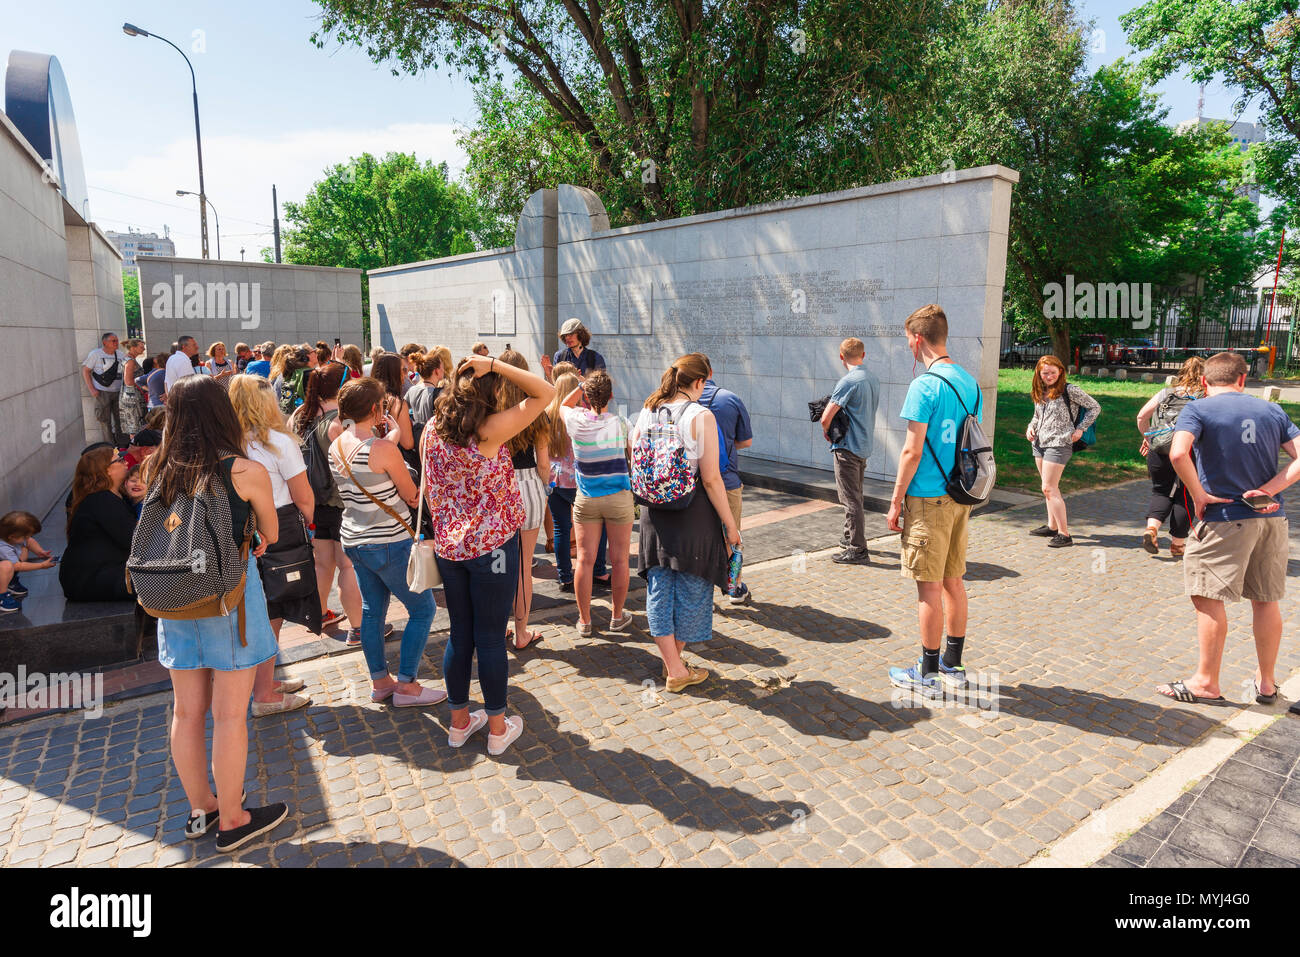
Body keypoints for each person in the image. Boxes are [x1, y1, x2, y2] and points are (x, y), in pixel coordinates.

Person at [142, 374, 289, 853]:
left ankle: (201, 807)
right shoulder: (243, 471)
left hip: (173, 598)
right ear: (220, 413)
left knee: (186, 713)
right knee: (230, 716)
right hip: (230, 599)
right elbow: (270, 532)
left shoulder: (158, 471)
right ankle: (233, 818)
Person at [425, 353, 555, 755]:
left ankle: (460, 723)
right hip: (492, 546)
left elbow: (431, 491)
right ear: (486, 394)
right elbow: (546, 392)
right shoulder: (488, 430)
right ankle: (498, 728)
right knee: (491, 638)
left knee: (460, 634)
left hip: (451, 547)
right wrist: (495, 364)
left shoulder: (432, 429)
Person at [1157, 351, 1300, 706]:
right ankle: (1266, 683)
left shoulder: (1198, 409)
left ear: (1205, 381)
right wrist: (1270, 489)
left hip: (1224, 519)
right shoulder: (1272, 411)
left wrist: (1199, 494)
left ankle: (1206, 682)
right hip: (1270, 518)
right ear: (1243, 378)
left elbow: (1178, 454)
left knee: (1207, 597)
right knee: (1266, 601)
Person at [329, 377, 445, 707]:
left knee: (372, 612)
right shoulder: (383, 449)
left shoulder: (336, 443)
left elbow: (370, 459)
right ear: (375, 409)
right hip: (388, 542)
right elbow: (411, 497)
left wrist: (390, 437)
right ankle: (407, 685)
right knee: (423, 609)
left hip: (354, 539)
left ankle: (381, 682)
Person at [885, 304, 980, 698]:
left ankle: (926, 675)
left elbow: (911, 450)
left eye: (908, 337)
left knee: (928, 589)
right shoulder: (968, 381)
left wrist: (895, 500)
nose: (907, 343)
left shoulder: (924, 384)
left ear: (918, 338)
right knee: (954, 581)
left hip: (927, 499)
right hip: (960, 495)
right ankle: (952, 666)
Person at [631, 355, 740, 692]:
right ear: (698, 383)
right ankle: (676, 669)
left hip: (653, 513)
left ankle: (674, 666)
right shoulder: (700, 415)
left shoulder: (647, 409)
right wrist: (731, 526)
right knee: (693, 590)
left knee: (660, 589)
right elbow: (711, 479)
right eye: (705, 382)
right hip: (692, 513)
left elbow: (633, 453)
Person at [230, 374, 318, 717]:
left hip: (241, 526)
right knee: (274, 610)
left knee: (260, 606)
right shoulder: (278, 442)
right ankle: (264, 694)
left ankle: (264, 682)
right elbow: (303, 495)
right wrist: (307, 523)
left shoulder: (228, 443)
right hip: (278, 524)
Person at [292, 361, 374, 644]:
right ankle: (359, 628)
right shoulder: (340, 422)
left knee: (322, 563)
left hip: (311, 503)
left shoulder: (299, 417)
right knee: (347, 566)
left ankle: (318, 614)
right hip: (341, 502)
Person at [559, 369, 634, 636]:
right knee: (620, 560)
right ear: (611, 396)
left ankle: (585, 620)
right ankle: (616, 616)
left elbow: (563, 404)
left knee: (585, 560)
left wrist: (580, 384)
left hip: (587, 498)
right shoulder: (621, 423)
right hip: (618, 498)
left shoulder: (576, 419)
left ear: (587, 397)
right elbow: (632, 457)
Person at [497, 350, 551, 649]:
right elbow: (543, 463)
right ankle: (521, 632)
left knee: (498, 564)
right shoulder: (536, 411)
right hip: (528, 484)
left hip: (497, 487)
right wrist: (547, 487)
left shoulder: (489, 409)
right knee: (523, 566)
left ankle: (499, 625)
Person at [1024, 356, 1099, 547]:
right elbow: (1036, 415)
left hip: (1059, 443)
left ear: (1060, 372)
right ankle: (1052, 526)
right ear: (1039, 374)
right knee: (1046, 488)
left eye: (1053, 373)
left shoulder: (1069, 390)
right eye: (1045, 373)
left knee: (1049, 488)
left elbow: (1094, 407)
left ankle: (1065, 534)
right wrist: (1030, 427)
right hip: (1039, 442)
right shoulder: (1041, 390)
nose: (1049, 376)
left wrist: (1081, 428)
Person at [699, 355, 755, 603]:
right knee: (731, 536)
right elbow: (746, 440)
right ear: (710, 372)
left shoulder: (680, 403)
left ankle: (702, 596)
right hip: (727, 480)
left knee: (699, 539)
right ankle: (734, 587)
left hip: (693, 482)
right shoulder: (730, 399)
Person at [820, 337, 881, 564]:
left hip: (846, 447)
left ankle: (857, 549)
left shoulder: (849, 381)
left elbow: (826, 417)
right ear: (863, 355)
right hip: (863, 446)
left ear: (841, 357)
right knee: (856, 496)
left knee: (850, 500)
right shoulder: (872, 379)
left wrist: (827, 431)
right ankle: (850, 538)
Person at [1136, 357, 1205, 557]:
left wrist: (1149, 438)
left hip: (1159, 449)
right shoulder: (1205, 397)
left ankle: (1152, 529)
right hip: (1188, 452)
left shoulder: (1166, 393)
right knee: (1186, 495)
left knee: (1161, 491)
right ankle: (1177, 545)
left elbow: (1142, 416)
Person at [60, 446, 135, 602]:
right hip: (91, 579)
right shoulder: (101, 500)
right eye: (119, 460)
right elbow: (133, 540)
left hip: (105, 572)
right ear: (106, 471)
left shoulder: (115, 496)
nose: (125, 462)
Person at [546, 372, 582, 594]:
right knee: (586, 528)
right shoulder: (575, 415)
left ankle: (564, 577)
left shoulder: (546, 413)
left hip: (552, 478)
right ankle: (595, 570)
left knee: (561, 528)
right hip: (575, 479)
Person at [0, 511, 54, 614]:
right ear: (12, 536)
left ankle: (9, 583)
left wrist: (40, 552)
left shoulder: (13, 538)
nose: (27, 538)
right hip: (5, 568)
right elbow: (17, 566)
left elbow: (30, 541)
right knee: (7, 566)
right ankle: (1, 596)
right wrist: (41, 565)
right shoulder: (3, 547)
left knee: (24, 547)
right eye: (25, 537)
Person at [82, 332, 128, 444]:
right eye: (113, 341)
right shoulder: (96, 354)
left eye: (117, 340)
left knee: (120, 419)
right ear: (104, 342)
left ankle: (123, 445)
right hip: (102, 392)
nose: (116, 343)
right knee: (104, 420)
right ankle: (110, 446)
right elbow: (86, 371)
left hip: (118, 392)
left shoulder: (120, 354)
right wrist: (92, 389)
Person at [368, 353, 416, 455]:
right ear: (393, 372)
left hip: (369, 455)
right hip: (391, 459)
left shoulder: (365, 396)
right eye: (403, 370)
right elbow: (407, 443)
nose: (406, 374)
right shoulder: (397, 404)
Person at [405, 348, 450, 429]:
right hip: (432, 435)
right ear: (436, 371)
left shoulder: (412, 390)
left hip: (417, 435)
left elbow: (403, 409)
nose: (443, 370)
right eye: (442, 367)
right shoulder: (441, 394)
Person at [119, 338, 149, 437]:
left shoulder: (127, 358)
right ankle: (135, 447)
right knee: (135, 428)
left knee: (134, 427)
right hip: (133, 398)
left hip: (129, 396)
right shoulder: (130, 361)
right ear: (133, 347)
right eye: (141, 347)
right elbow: (129, 381)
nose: (144, 349)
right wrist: (145, 388)